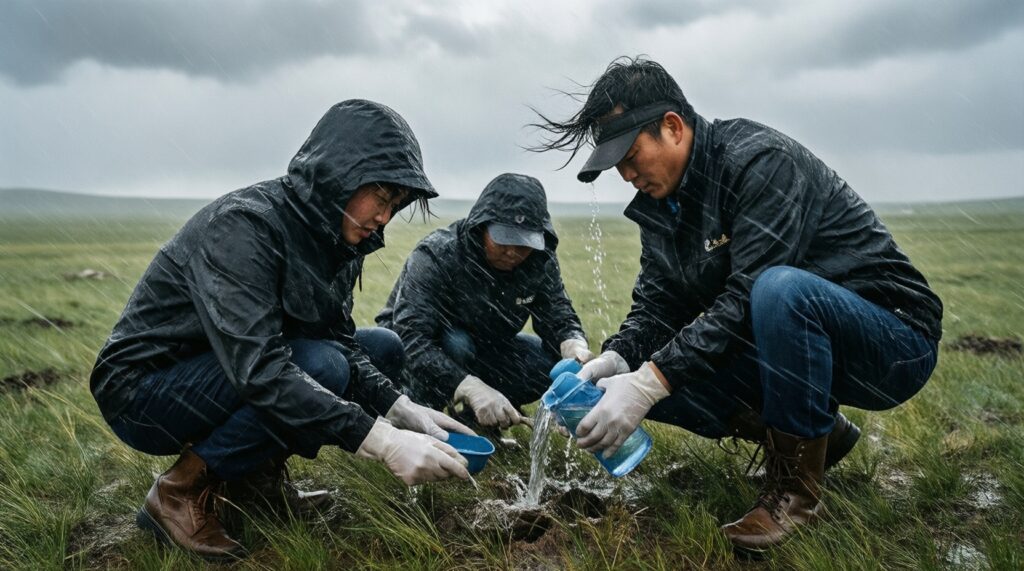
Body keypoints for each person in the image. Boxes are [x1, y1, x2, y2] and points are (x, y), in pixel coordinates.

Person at [531, 57, 942, 551]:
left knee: (776, 291)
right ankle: (821, 435)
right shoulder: (664, 206)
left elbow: (748, 297)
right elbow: (657, 308)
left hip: (893, 342)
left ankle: (796, 496)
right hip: (801, 343)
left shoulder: (759, 161)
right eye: (617, 164)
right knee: (640, 374)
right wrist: (616, 361)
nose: (625, 174)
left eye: (631, 155)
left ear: (673, 127)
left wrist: (647, 383)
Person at [90, 100, 474, 561]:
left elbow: (342, 340)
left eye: (395, 205)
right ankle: (179, 491)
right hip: (142, 392)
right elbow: (260, 368)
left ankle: (254, 484)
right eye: (381, 197)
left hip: (225, 373)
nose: (384, 218)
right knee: (321, 365)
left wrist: (400, 406)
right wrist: (381, 439)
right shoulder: (244, 226)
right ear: (339, 177)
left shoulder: (335, 237)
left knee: (381, 347)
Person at [376, 173, 593, 429]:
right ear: (482, 227)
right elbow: (410, 337)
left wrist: (573, 343)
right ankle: (423, 418)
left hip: (486, 349)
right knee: (457, 343)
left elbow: (558, 314)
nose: (512, 252)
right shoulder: (437, 254)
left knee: (544, 363)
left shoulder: (538, 262)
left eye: (523, 244)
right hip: (415, 357)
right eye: (503, 239)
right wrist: (467, 385)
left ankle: (482, 421)